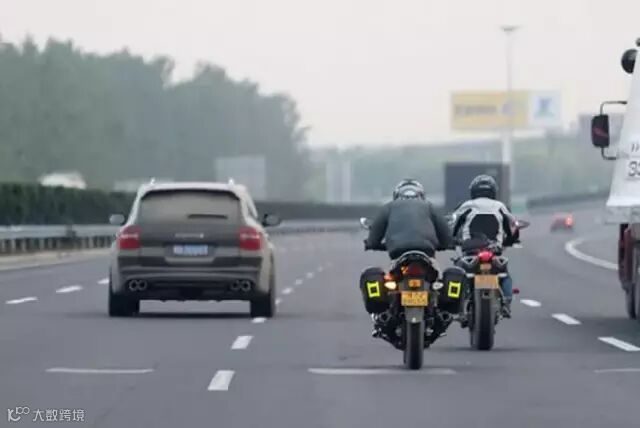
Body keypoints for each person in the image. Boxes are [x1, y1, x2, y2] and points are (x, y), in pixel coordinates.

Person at [450, 174, 520, 317]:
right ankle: (507, 303)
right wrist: (511, 239)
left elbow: (453, 225)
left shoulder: (467, 205)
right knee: (504, 274)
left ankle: (454, 304)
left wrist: (452, 239)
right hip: (494, 249)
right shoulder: (500, 206)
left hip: (470, 249)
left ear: (473, 191)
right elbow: (512, 226)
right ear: (493, 191)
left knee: (458, 273)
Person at [365, 179, 453, 260]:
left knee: (389, 272)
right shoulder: (429, 206)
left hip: (397, 250)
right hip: (426, 249)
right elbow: (444, 231)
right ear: (422, 195)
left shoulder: (388, 207)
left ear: (396, 194)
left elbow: (375, 234)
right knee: (435, 270)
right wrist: (448, 244)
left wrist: (371, 244)